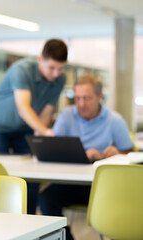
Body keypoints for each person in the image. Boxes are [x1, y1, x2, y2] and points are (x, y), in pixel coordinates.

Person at [39, 74, 133, 240]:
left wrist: (117, 153)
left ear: (100, 97)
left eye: (87, 98)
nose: (81, 104)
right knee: (46, 199)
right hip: (69, 183)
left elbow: (130, 155)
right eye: (78, 98)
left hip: (102, 187)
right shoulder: (67, 115)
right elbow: (54, 148)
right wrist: (83, 154)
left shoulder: (115, 120)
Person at [0, 39, 68, 214]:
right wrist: (45, 131)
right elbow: (23, 108)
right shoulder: (21, 70)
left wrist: (41, 138)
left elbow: (46, 113)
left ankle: (28, 222)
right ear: (40, 59)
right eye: (51, 67)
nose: (55, 74)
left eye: (60, 68)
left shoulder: (60, 79)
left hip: (26, 126)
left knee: (32, 173)